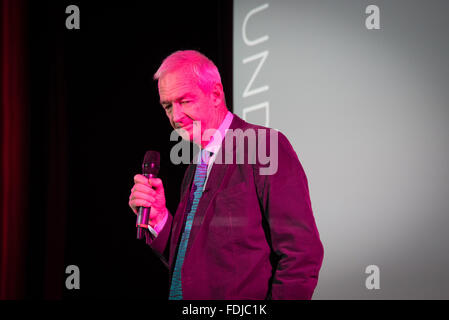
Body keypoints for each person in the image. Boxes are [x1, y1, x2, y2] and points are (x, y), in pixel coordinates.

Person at [128, 50, 324, 300]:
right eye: (168, 106)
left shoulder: (265, 146)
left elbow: (302, 255)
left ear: (216, 95)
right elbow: (190, 267)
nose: (175, 117)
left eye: (185, 101)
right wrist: (160, 220)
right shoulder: (194, 168)